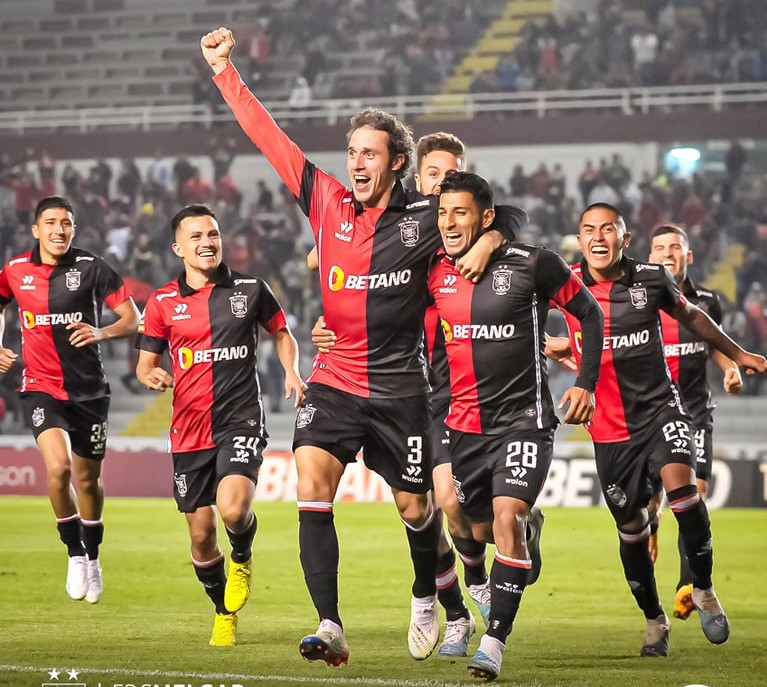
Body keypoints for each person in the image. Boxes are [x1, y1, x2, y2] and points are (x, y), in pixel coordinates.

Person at [200, 27, 521, 665]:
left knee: (416, 507)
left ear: (397, 161)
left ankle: (439, 599)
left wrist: (488, 240)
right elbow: (271, 139)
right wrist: (223, 72)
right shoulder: (325, 202)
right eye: (352, 151)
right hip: (334, 381)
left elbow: (499, 216)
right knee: (310, 482)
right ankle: (330, 625)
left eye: (370, 153)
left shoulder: (426, 219)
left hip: (401, 389)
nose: (357, 162)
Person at [309, 133, 535, 658]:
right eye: (434, 176)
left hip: (468, 392)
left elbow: (515, 218)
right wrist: (332, 325)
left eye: (452, 178)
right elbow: (356, 280)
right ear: (417, 178)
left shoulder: (462, 236)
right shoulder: (411, 232)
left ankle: (469, 576)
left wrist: (491, 237)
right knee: (435, 505)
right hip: (422, 393)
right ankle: (449, 602)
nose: (442, 188)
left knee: (457, 513)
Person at [548, 203, 766, 657]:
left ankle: (702, 588)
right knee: (632, 529)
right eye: (589, 229)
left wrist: (737, 352)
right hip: (608, 429)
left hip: (661, 411)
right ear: (580, 238)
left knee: (685, 494)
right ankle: (654, 620)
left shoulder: (650, 278)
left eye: (609, 229)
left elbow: (693, 318)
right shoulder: (565, 282)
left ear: (624, 240)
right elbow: (514, 306)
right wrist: (553, 346)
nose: (599, 237)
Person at [429, 172, 603, 680]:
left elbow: (589, 315)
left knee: (505, 518)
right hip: (463, 427)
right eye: (443, 213)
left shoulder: (534, 263)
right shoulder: (434, 272)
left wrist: (585, 383)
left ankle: (494, 644)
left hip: (525, 422)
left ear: (486, 219)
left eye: (460, 212)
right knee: (478, 528)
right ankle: (528, 531)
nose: (448, 223)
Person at [135, 204, 304, 647]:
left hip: (240, 419)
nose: (207, 242)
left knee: (232, 509)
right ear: (178, 248)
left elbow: (282, 332)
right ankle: (223, 611)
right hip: (188, 429)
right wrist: (149, 375)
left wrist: (291, 371)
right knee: (201, 534)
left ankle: (243, 558)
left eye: (212, 233)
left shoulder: (250, 288)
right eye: (196, 237)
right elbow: (145, 363)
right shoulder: (161, 302)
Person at [0, 195, 140, 604]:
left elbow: (133, 318)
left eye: (66, 223)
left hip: (90, 390)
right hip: (40, 385)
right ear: (35, 229)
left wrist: (102, 332)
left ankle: (94, 556)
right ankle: (75, 552)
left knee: (89, 481)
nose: (59, 230)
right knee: (58, 469)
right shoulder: (15, 270)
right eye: (51, 222)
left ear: (74, 229)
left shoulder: (93, 268)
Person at [645, 224, 743, 618]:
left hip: (694, 412)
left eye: (675, 247)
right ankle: (651, 522)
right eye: (660, 248)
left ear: (689, 256)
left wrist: (729, 367)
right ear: (650, 257)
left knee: (693, 492)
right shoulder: (639, 299)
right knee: (646, 506)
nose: (668, 253)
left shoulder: (706, 301)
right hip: (649, 412)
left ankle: (689, 586)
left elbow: (713, 343)